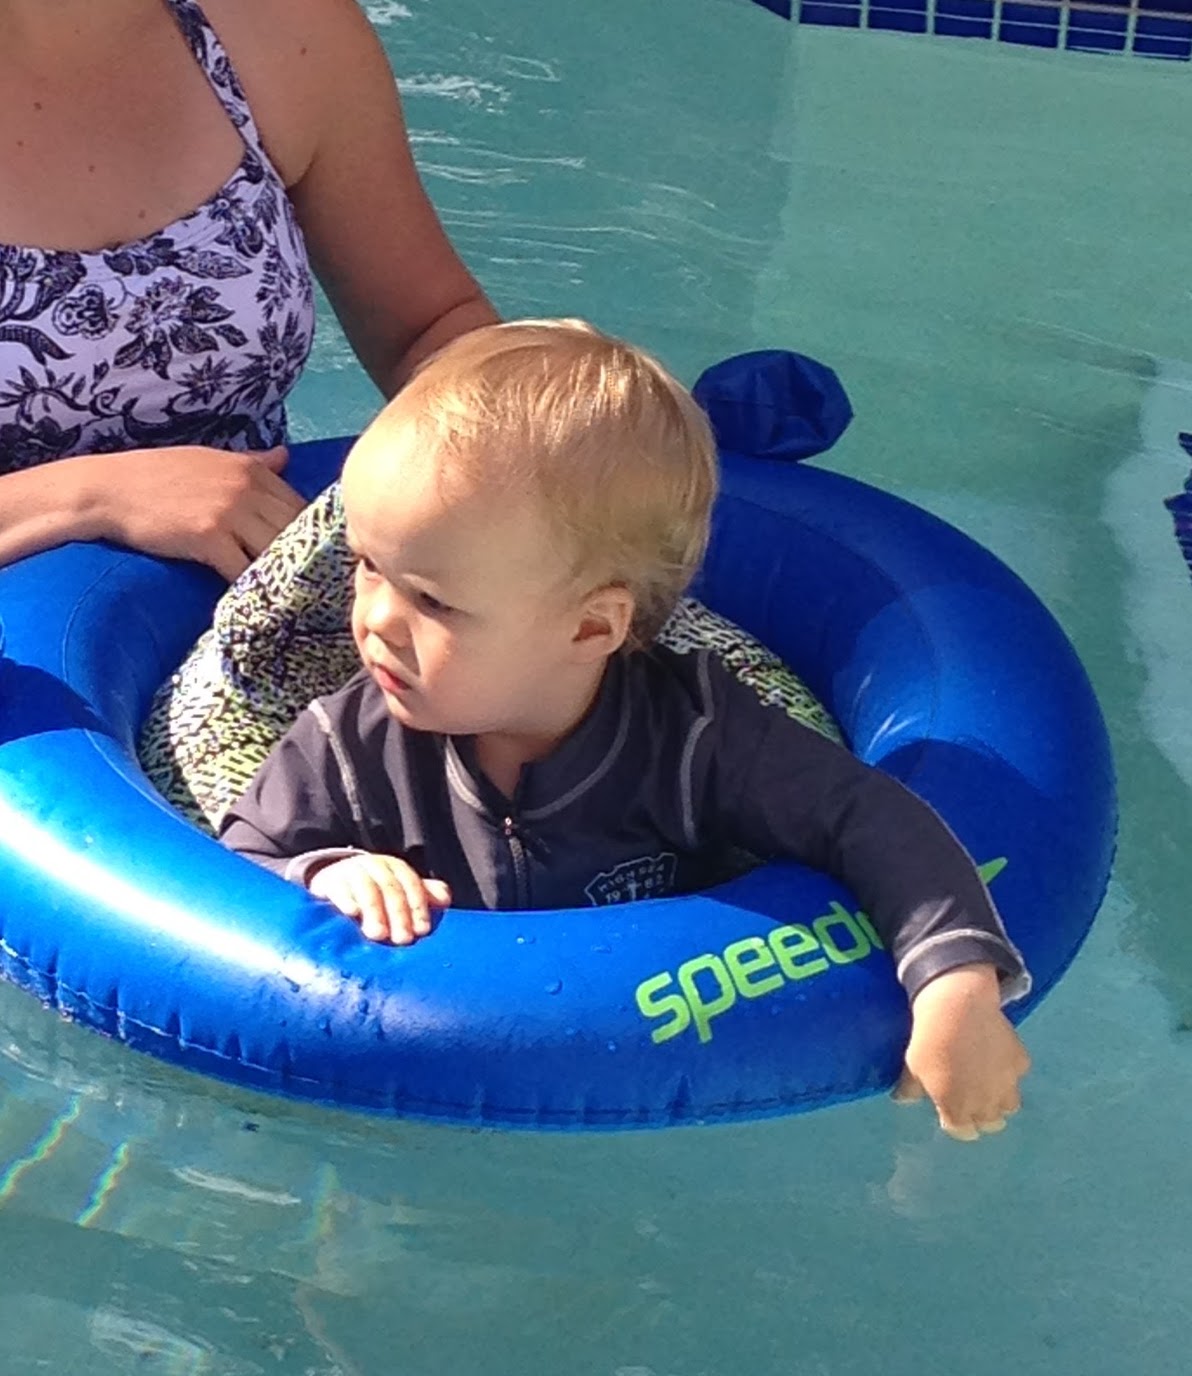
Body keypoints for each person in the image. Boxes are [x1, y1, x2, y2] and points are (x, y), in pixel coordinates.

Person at [220, 319, 1032, 1141]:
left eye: (434, 601)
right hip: (414, 1084)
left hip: (644, 1091)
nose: (376, 621)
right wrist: (328, 871)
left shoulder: (694, 736)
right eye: (366, 565)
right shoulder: (348, 743)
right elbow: (232, 869)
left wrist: (954, 984)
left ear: (589, 630)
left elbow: (870, 817)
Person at [0, 0, 497, 575]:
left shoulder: (277, 30)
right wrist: (90, 498)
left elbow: (428, 326)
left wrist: (545, 453)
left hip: (259, 584)